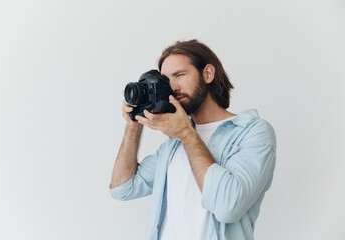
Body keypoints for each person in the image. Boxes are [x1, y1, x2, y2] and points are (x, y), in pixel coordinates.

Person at [109, 39, 276, 240]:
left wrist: (187, 134)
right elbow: (122, 188)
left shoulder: (252, 132)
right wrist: (133, 124)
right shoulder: (172, 146)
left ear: (207, 74)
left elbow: (228, 207)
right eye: (165, 80)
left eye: (180, 75)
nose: (172, 86)